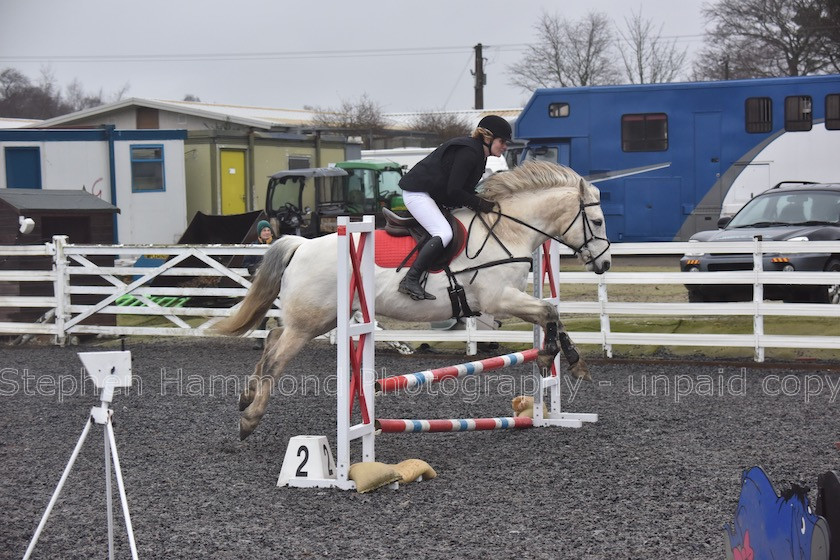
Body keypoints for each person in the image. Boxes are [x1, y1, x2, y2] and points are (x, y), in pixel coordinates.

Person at [397, 115, 511, 300]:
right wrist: (481, 204)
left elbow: (464, 190)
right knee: (443, 233)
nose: (505, 146)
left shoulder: (479, 154)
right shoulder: (469, 152)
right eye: (502, 141)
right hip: (417, 194)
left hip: (431, 195)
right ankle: (410, 279)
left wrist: (484, 201)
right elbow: (454, 191)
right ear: (488, 138)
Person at [243, 219, 276, 348]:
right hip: (260, 285)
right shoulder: (253, 245)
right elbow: (246, 263)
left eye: (268, 230)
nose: (267, 232)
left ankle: (279, 340)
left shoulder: (276, 245)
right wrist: (251, 268)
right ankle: (259, 340)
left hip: (275, 283)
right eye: (264, 230)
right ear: (259, 233)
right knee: (260, 311)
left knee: (279, 313)